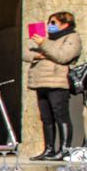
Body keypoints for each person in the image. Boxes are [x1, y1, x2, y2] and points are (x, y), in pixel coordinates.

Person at [24, 11, 81, 160]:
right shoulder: (46, 38)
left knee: (60, 116)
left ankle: (64, 150)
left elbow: (63, 56)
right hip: (40, 82)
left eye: (54, 23)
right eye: (49, 22)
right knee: (46, 118)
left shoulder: (71, 37)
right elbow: (26, 54)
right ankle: (48, 149)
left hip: (57, 82)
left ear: (65, 24)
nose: (50, 26)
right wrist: (39, 53)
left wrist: (44, 45)